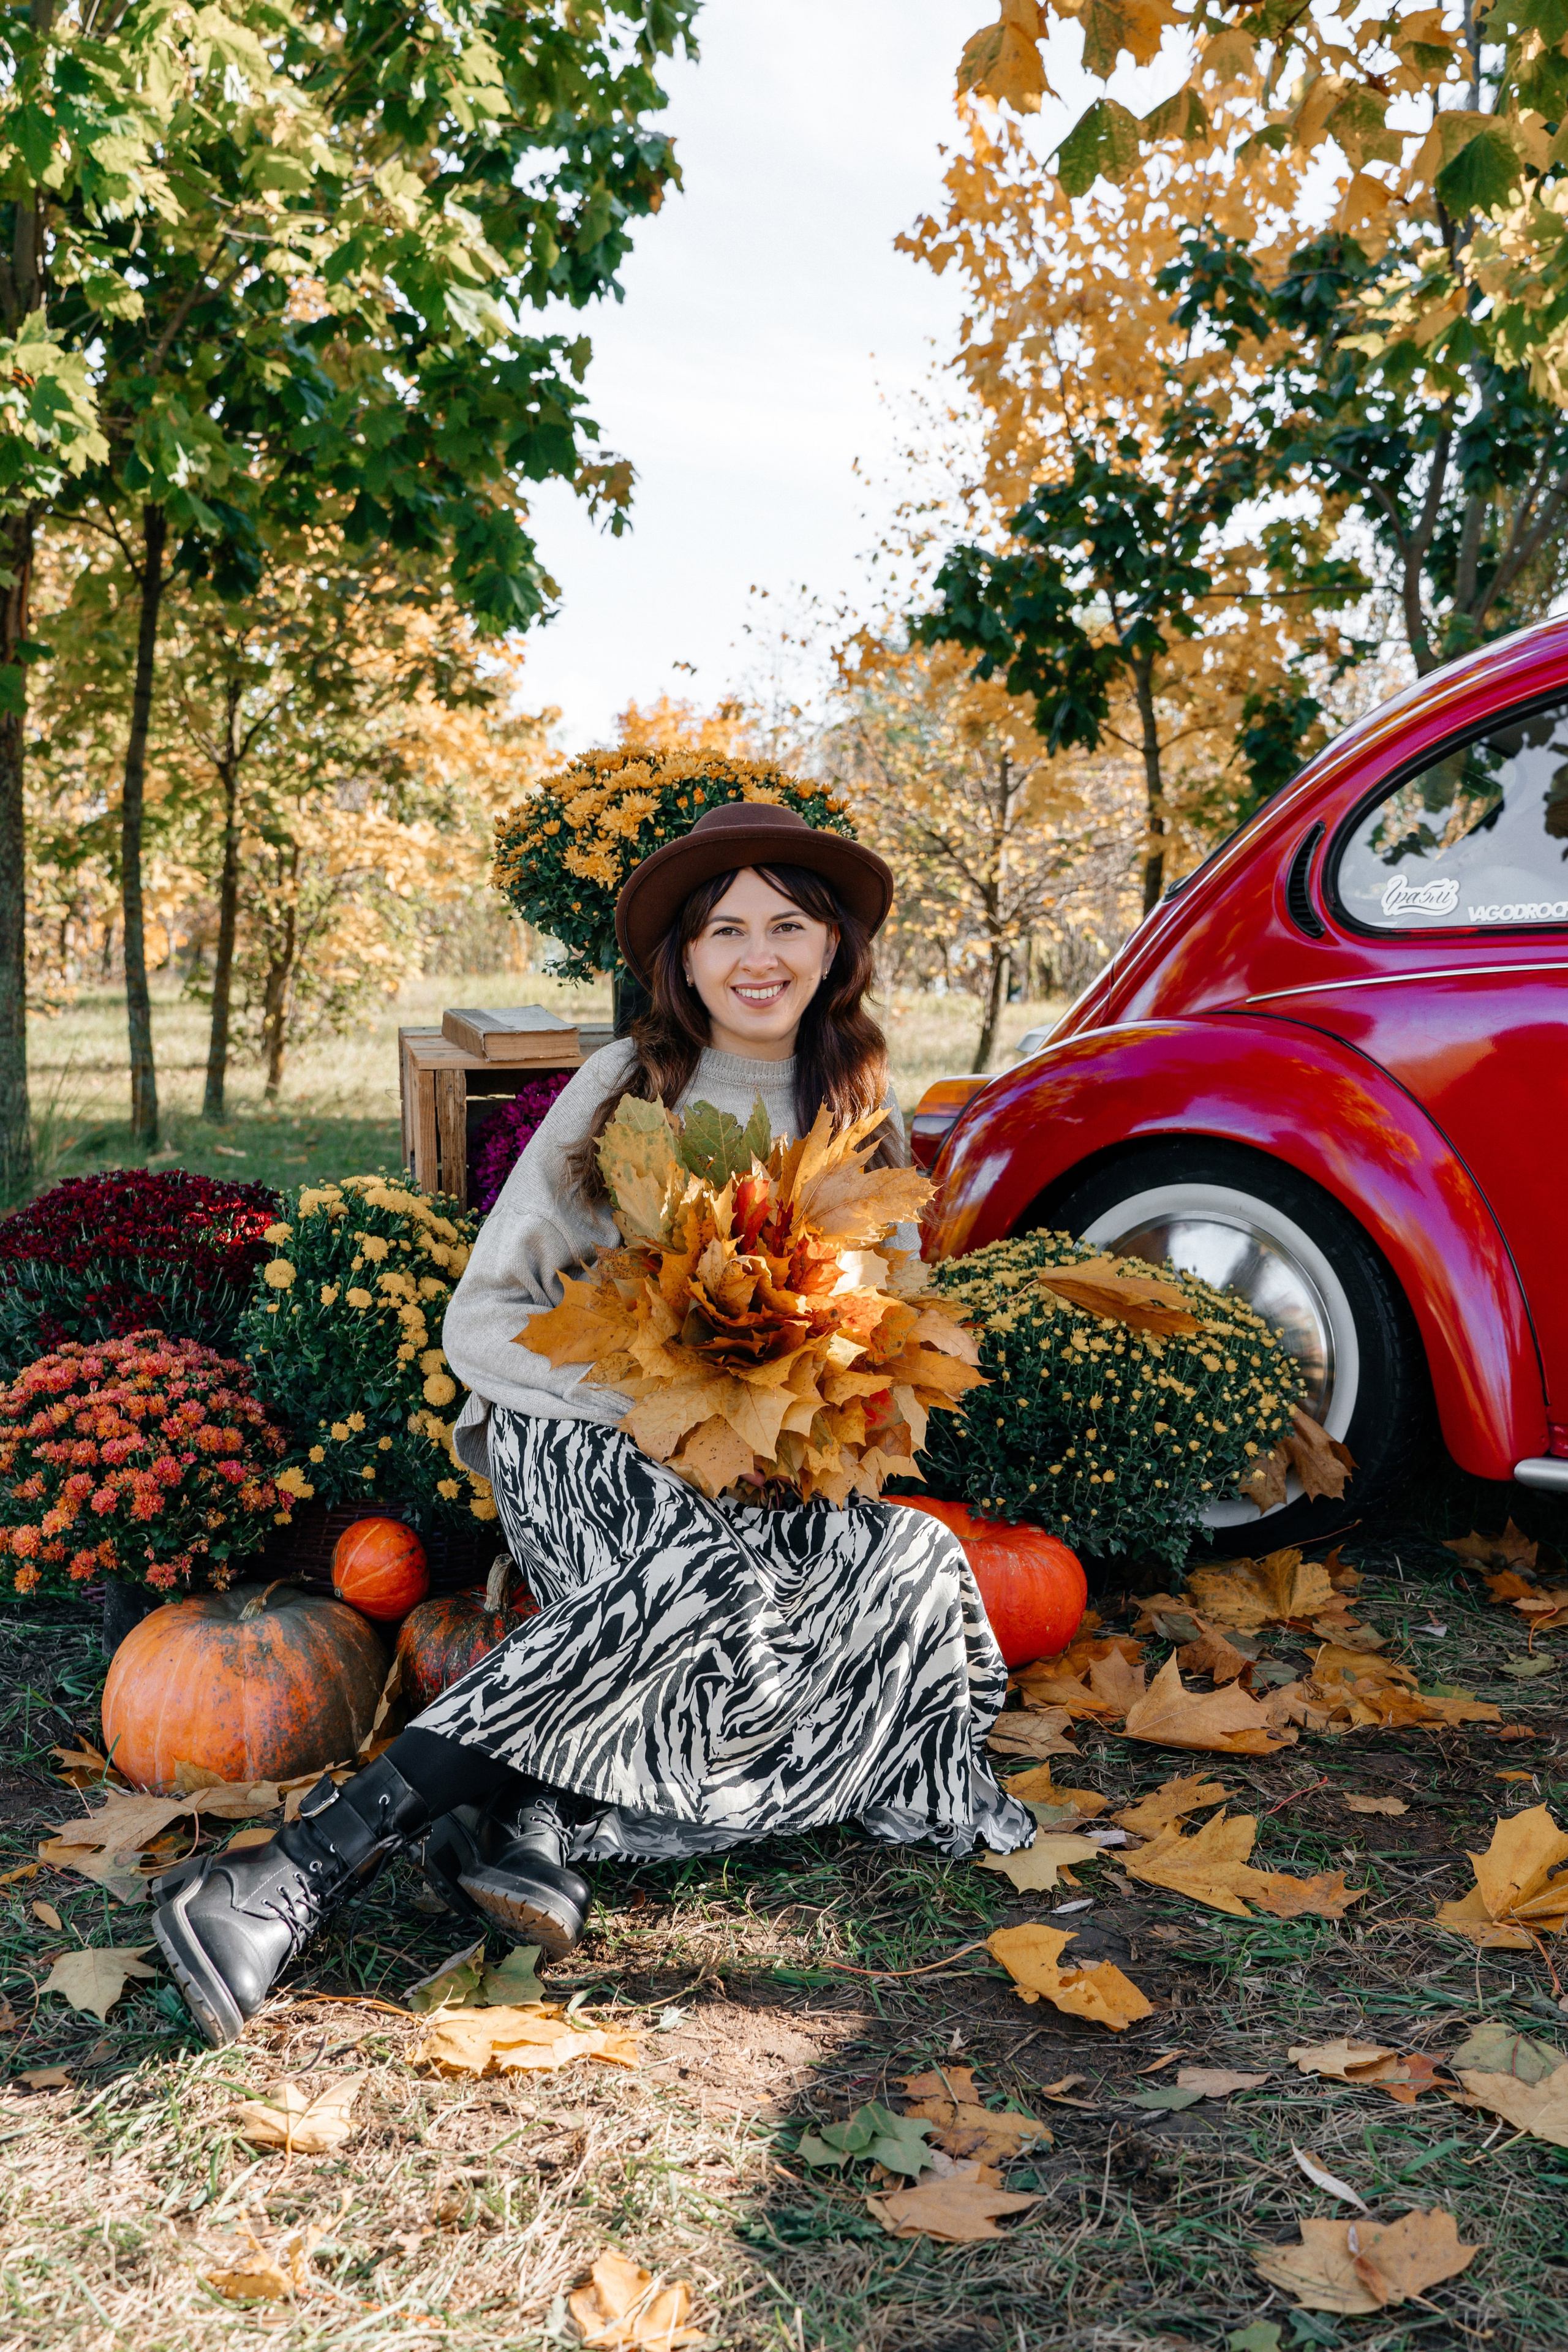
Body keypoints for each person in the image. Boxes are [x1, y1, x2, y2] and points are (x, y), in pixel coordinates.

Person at [152, 800, 1034, 2048]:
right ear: (680, 961)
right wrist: (639, 1406)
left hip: (756, 1472)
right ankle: (291, 1871)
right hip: (576, 1432)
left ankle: (533, 1809)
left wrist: (812, 1441)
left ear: (835, 947)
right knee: (705, 1589)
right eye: (723, 929)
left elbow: (873, 1349)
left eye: (787, 923)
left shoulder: (860, 1116)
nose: (756, 955)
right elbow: (480, 1320)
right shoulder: (628, 1085)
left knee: (908, 1567)